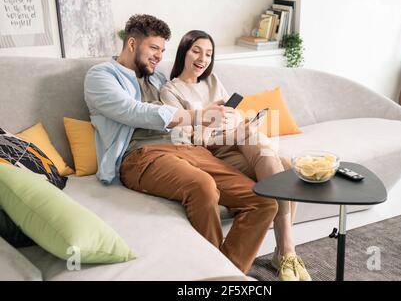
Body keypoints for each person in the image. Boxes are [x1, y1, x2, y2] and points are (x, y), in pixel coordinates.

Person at [83, 14, 278, 274]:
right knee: (203, 186)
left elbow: (183, 116)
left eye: (162, 50)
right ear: (131, 44)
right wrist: (199, 115)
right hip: (140, 156)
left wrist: (209, 115)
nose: (158, 56)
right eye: (153, 48)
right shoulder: (101, 76)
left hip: (187, 150)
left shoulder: (157, 79)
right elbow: (133, 111)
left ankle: (222, 275)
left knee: (264, 201)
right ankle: (215, 274)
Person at [160, 30, 312, 281]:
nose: (203, 58)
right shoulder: (171, 90)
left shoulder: (213, 81)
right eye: (196, 51)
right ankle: (286, 251)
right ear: (184, 52)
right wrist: (212, 119)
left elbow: (233, 116)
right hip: (212, 150)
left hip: (238, 138)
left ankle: (285, 250)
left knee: (265, 149)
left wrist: (239, 119)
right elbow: (186, 139)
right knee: (282, 164)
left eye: (208, 53)